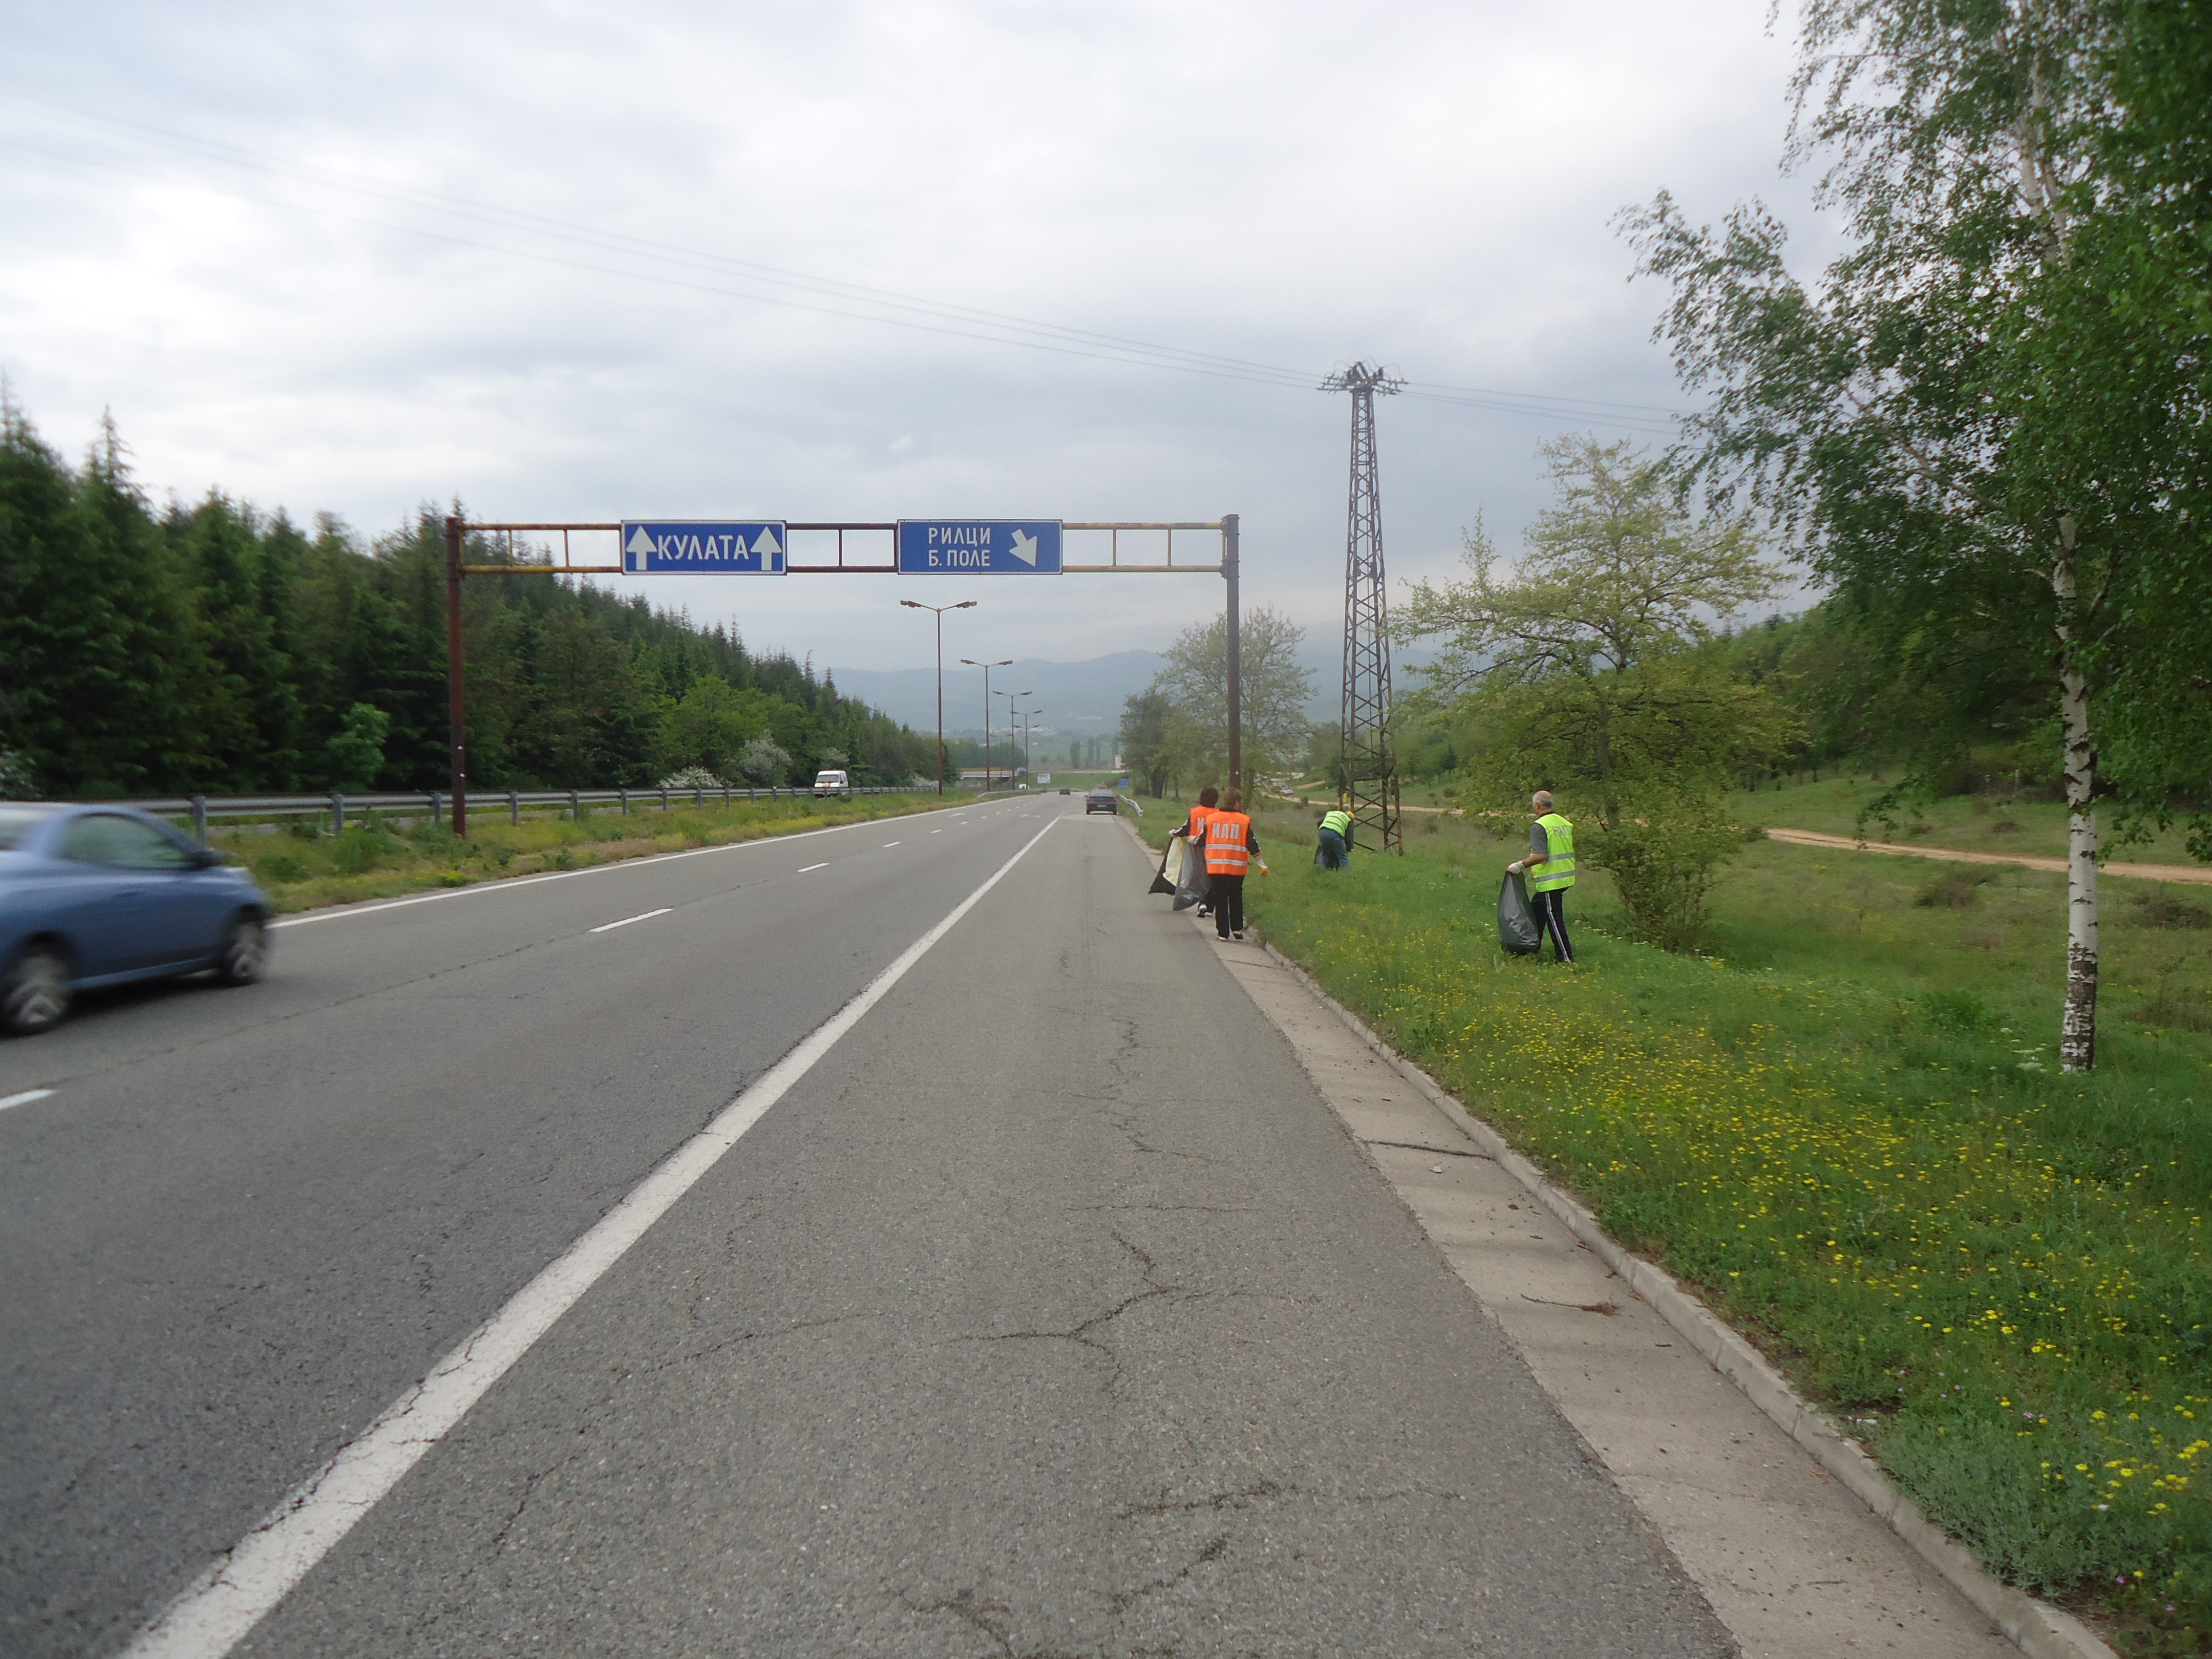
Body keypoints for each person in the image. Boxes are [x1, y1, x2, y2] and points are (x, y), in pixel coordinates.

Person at [1507, 790, 1575, 963]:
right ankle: (1530, 948)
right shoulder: (1563, 822)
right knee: (1536, 911)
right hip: (1565, 876)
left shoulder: (1539, 826)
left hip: (1551, 880)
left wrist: (1520, 865)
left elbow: (1542, 856)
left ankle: (1566, 959)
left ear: (1537, 806)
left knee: (1554, 919)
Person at [1205, 786, 1258, 940]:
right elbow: (1252, 843)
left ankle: (1223, 932)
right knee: (1236, 895)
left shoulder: (1212, 819)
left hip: (1215, 866)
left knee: (1220, 896)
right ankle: (1237, 929)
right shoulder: (1244, 820)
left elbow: (1202, 839)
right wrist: (1261, 862)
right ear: (1237, 803)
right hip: (1237, 867)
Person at [1181, 785, 1220, 913]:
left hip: (1197, 848)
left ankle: (1202, 903)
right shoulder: (1218, 814)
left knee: (1200, 876)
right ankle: (1210, 907)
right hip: (1214, 848)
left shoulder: (1195, 812)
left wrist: (1174, 834)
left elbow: (1186, 828)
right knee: (1212, 877)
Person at [1315, 802, 1353, 869]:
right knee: (1342, 856)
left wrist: (1324, 833)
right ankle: (1346, 874)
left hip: (1323, 832)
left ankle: (1320, 871)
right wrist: (1349, 848)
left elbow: (1318, 823)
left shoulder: (1332, 813)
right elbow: (1348, 838)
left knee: (1324, 854)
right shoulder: (1348, 820)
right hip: (1335, 835)